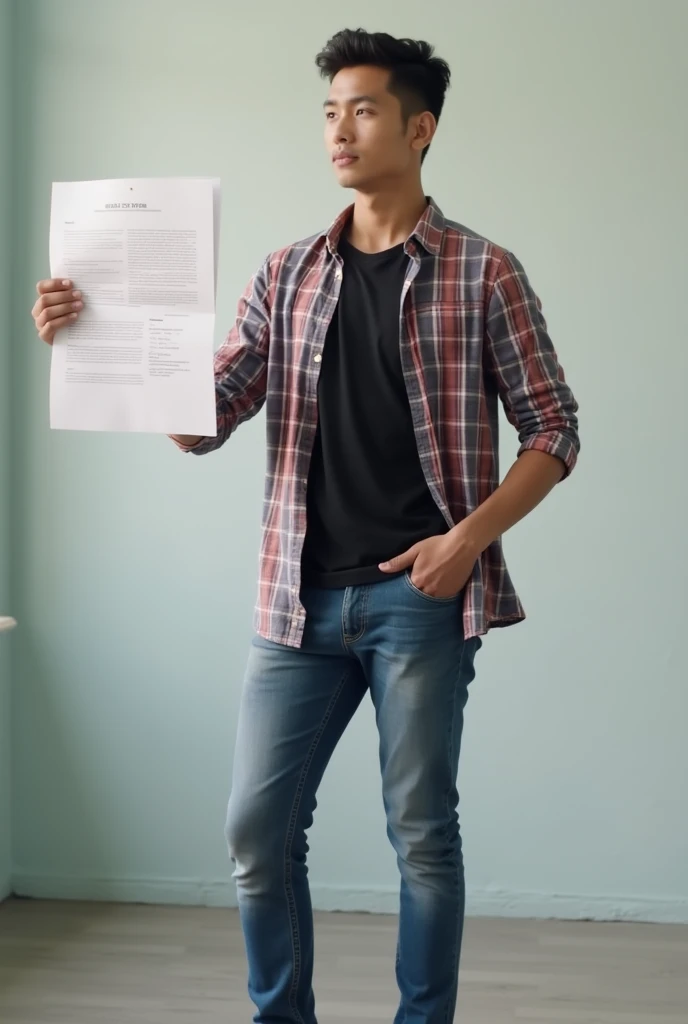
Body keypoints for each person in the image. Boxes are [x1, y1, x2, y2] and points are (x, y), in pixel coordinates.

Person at [32, 27, 580, 1024]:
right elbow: (204, 419)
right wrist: (93, 328)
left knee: (420, 831)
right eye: (329, 109)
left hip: (419, 596)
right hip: (295, 599)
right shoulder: (287, 272)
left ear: (420, 129)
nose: (338, 128)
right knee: (256, 828)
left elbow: (553, 427)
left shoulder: (482, 271)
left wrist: (467, 541)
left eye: (362, 108)